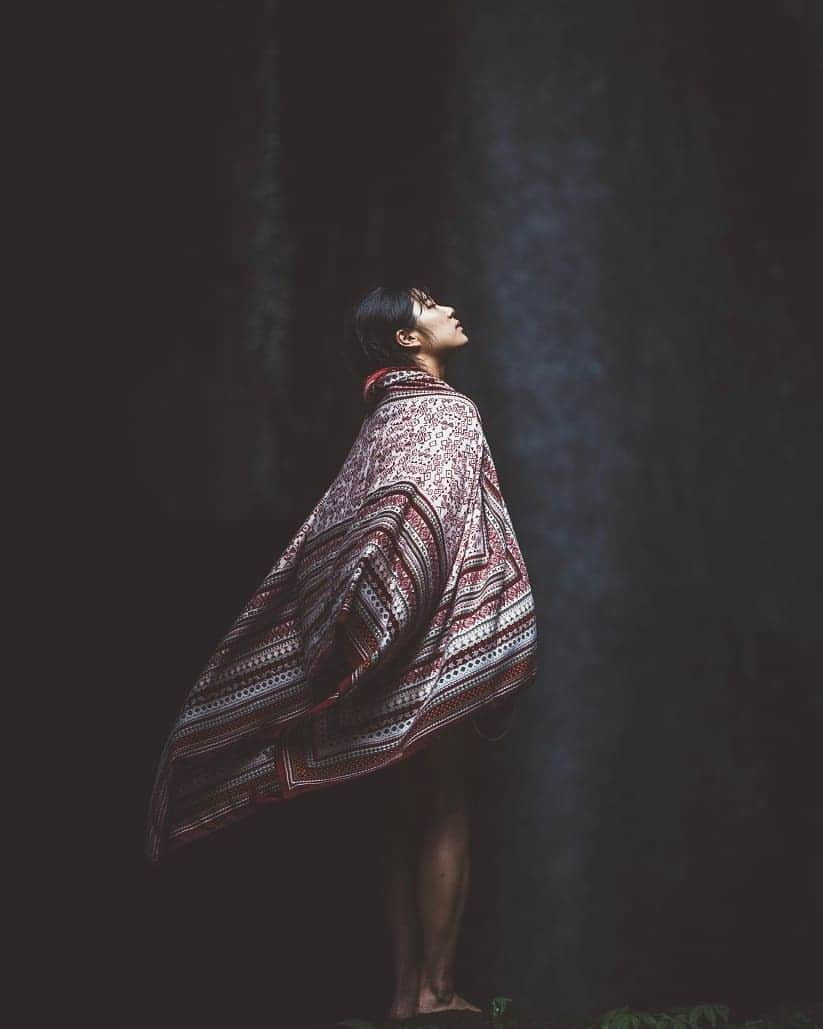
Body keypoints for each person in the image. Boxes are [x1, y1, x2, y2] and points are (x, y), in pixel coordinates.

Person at [145, 284, 538, 1024]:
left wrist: (361, 617)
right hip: (431, 638)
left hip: (384, 639)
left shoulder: (383, 418)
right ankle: (434, 992)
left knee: (400, 813)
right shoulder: (447, 411)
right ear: (403, 339)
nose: (448, 306)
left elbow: (360, 521)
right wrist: (414, 604)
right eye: (426, 302)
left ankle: (400, 994)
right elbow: (426, 514)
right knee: (446, 803)